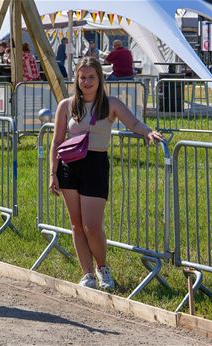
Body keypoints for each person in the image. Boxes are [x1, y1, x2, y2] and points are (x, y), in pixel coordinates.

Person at [49, 57, 163, 290]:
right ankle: (87, 274)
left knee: (92, 225)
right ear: (77, 79)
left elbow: (134, 123)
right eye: (83, 77)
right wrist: (53, 173)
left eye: (92, 77)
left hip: (96, 165)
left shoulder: (111, 103)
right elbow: (57, 141)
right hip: (69, 166)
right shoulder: (67, 105)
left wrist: (148, 132)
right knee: (76, 225)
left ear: (100, 78)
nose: (87, 82)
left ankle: (103, 268)